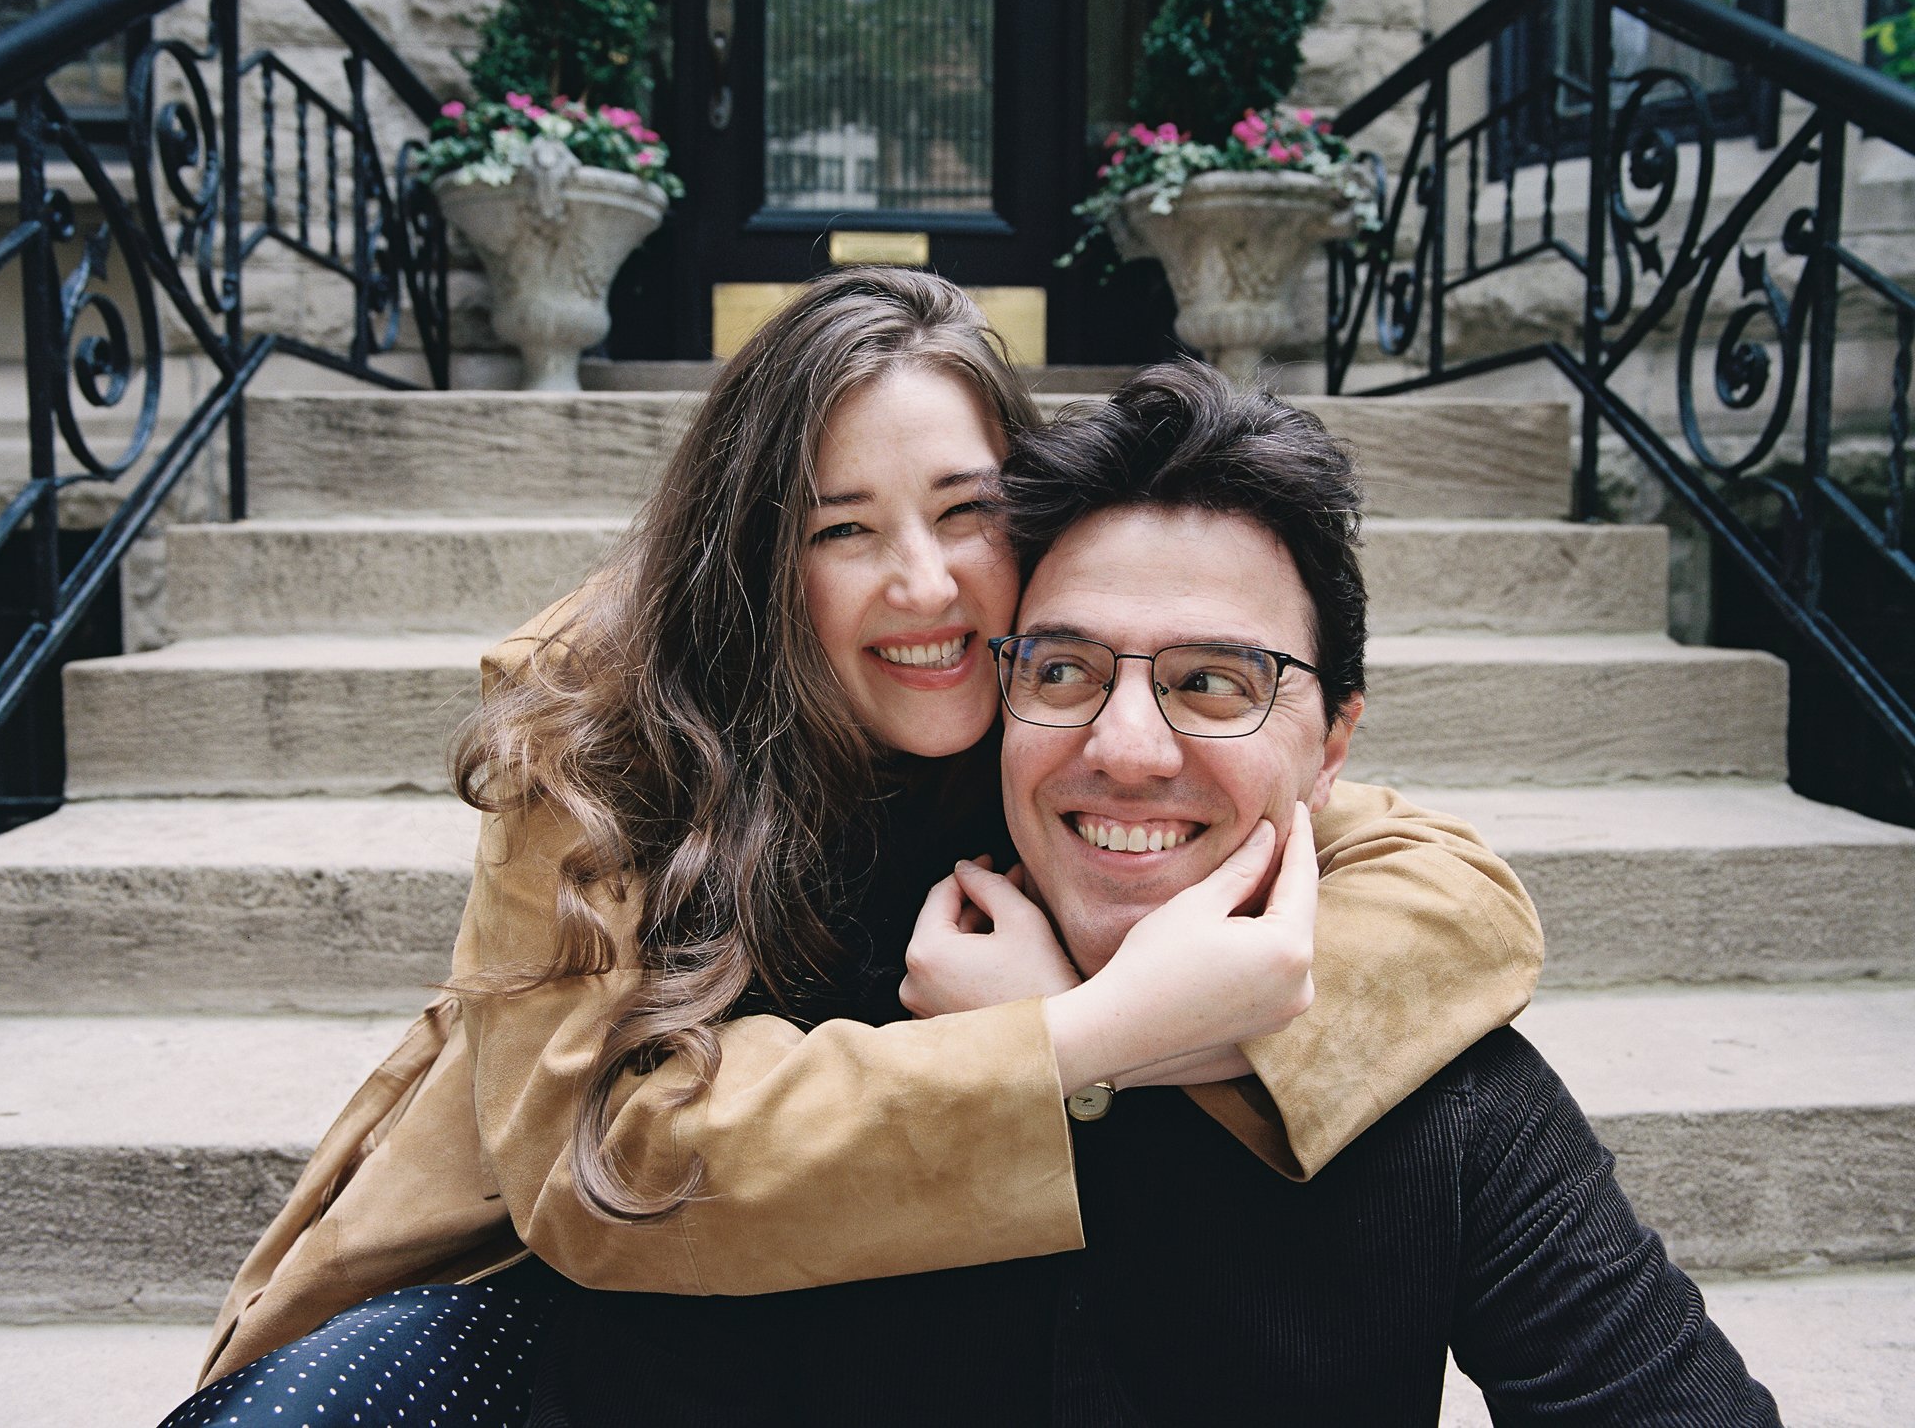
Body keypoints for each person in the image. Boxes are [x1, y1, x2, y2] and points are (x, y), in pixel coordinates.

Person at [163, 271, 1541, 1427]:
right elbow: (602, 1173)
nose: (925, 584)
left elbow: (1450, 895)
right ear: (764, 554)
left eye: (965, 510)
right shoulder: (605, 739)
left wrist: (1149, 1024)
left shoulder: (1078, 711)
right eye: (843, 530)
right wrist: (1079, 1033)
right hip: (573, 1298)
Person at [658, 358, 1768, 1425]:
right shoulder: (802, 1035)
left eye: (1212, 682)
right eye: (1063, 671)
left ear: (1332, 749)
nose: (1126, 746)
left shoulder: (1440, 1092)